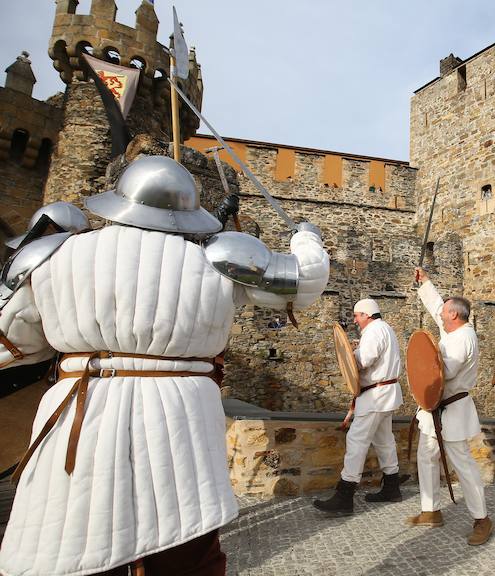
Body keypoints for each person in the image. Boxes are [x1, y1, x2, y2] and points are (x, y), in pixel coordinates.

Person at [0, 156, 330, 576]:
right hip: (178, 416)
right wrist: (307, 236)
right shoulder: (217, 260)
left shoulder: (52, 255)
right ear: (187, 213)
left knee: (75, 528)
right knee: (184, 550)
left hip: (81, 411)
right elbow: (305, 279)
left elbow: (16, 345)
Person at [408, 267, 492, 546]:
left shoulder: (464, 338)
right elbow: (436, 308)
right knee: (426, 456)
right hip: (436, 410)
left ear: (454, 315)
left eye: (445, 313)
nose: (440, 315)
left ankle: (482, 519)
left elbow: (446, 372)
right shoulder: (452, 331)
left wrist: (424, 371)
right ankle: (430, 510)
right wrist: (426, 283)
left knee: (463, 465)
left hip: (452, 410)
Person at [314, 298, 403, 514]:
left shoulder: (373, 330)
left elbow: (364, 360)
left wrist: (350, 354)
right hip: (385, 394)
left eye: (357, 315)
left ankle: (345, 496)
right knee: (384, 440)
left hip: (376, 396)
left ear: (366, 314)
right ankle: (392, 486)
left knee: (357, 441)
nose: (355, 320)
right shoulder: (386, 329)